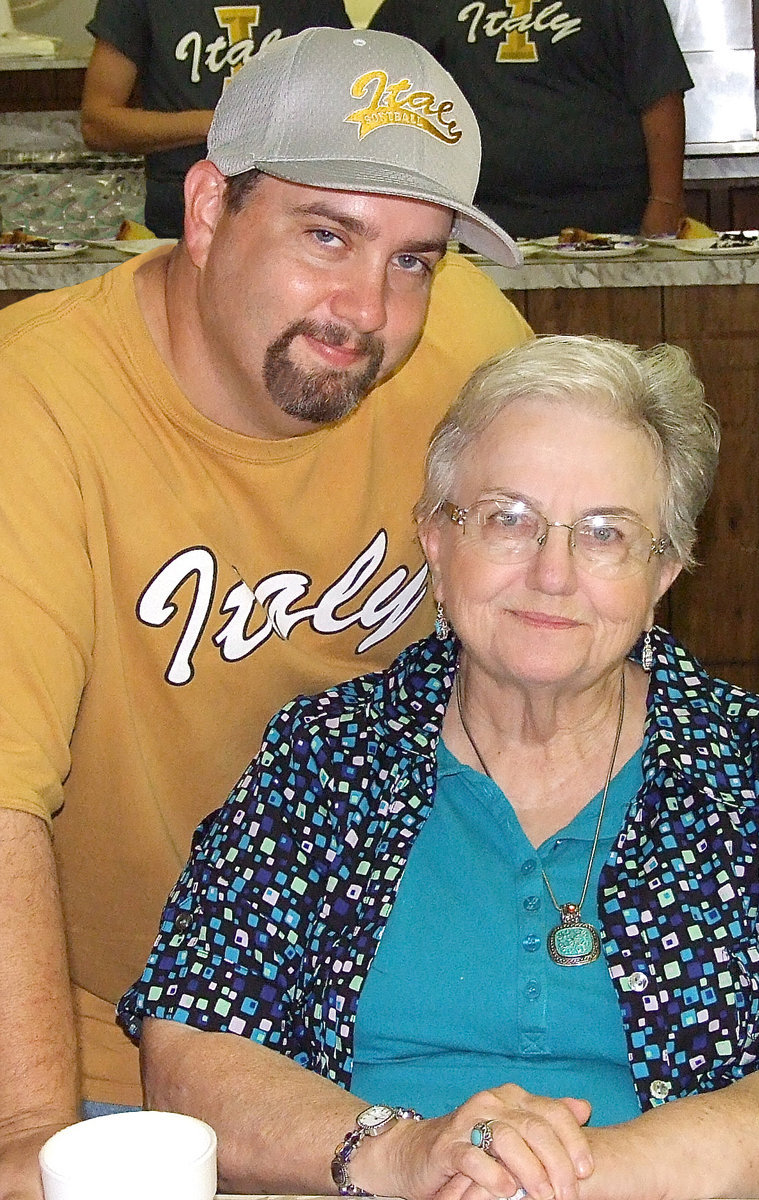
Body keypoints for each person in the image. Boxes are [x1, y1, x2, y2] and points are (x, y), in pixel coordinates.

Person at [119, 334, 759, 1200]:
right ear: (436, 540)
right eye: (508, 519)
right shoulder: (321, 760)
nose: (551, 574)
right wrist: (402, 1154)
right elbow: (190, 1055)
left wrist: (565, 1178)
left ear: (663, 570)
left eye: (605, 534)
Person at [0, 26, 530, 1200]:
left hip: (418, 1056)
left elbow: (586, 645)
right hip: (121, 1074)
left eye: (413, 259)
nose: (365, 311)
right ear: (205, 210)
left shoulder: (466, 352)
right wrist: (36, 1139)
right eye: (325, 234)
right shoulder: (33, 408)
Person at [368, 0, 693, 239]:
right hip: (469, 231)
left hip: (610, 227)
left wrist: (665, 203)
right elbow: (380, 84)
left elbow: (660, 94)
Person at [80, 0, 350, 236]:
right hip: (178, 211)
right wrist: (221, 122)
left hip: (289, 201)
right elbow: (98, 123)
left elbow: (345, 106)